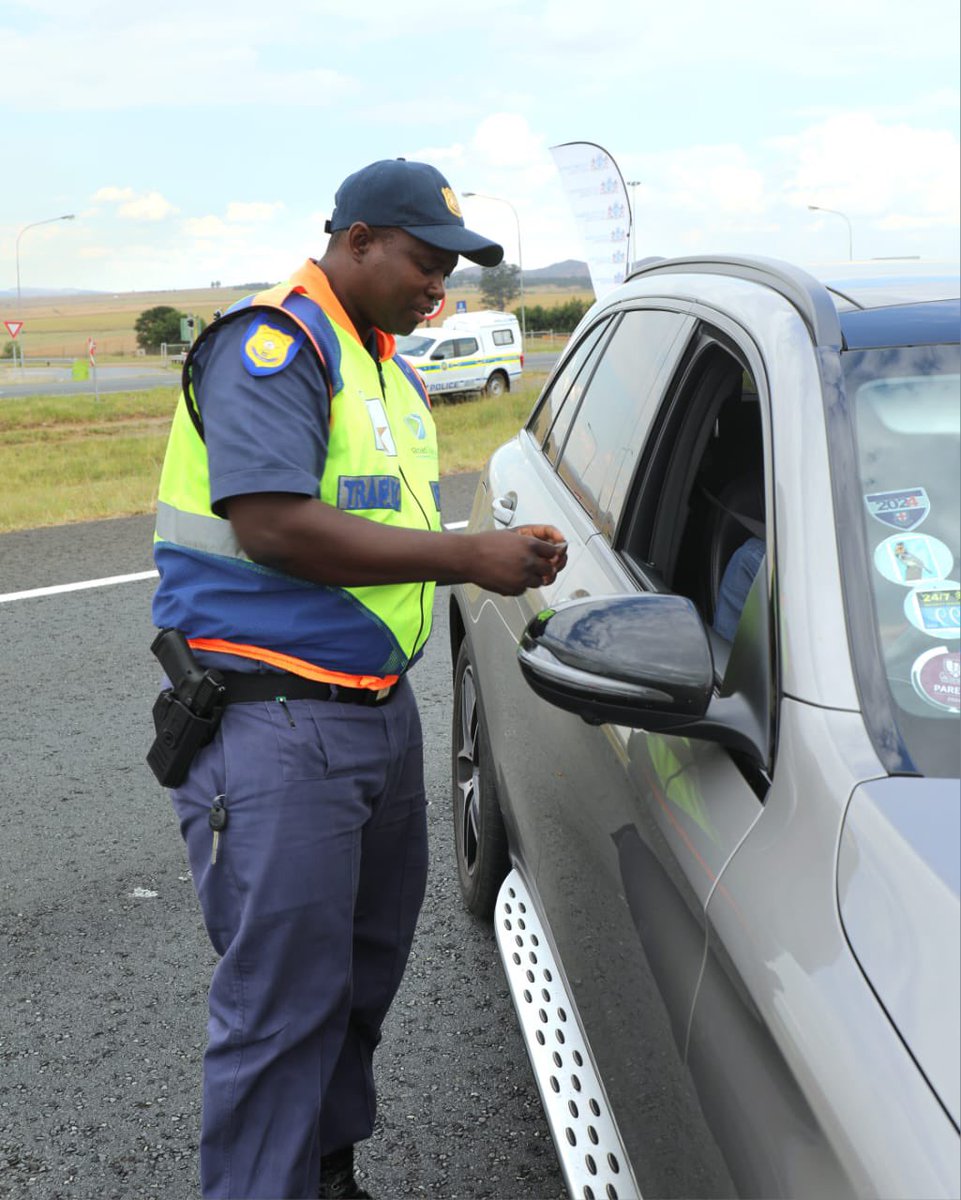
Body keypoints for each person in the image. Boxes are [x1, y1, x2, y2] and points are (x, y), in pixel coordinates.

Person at [150, 158, 567, 1200]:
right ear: (359, 239)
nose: (440, 288)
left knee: (358, 975)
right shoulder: (275, 345)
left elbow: (383, 521)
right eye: (425, 263)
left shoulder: (386, 364)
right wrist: (470, 561)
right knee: (282, 1004)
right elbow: (273, 524)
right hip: (275, 722)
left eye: (452, 271)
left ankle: (322, 1172)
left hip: (374, 714)